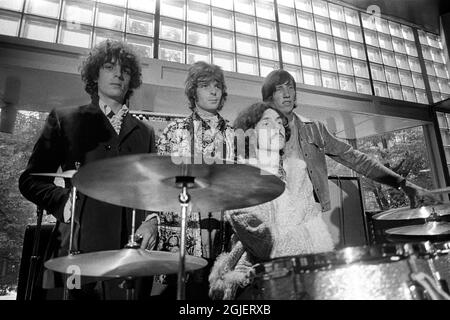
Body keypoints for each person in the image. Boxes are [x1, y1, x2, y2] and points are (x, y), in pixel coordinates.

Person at [208, 70, 440, 300]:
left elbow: (354, 157)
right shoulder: (255, 147)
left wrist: (402, 183)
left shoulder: (313, 130)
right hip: (261, 249)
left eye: (291, 87)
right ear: (267, 99)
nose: (288, 94)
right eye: (279, 89)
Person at [18, 40, 157, 300]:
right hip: (77, 247)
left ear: (132, 79)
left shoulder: (145, 132)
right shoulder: (66, 119)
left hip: (130, 257)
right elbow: (30, 180)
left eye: (125, 70)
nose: (118, 74)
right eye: (109, 67)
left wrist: (151, 221)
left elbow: (151, 188)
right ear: (95, 73)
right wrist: (63, 204)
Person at [155, 61, 234, 299]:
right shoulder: (174, 131)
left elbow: (243, 184)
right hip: (183, 235)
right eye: (205, 85)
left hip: (224, 235)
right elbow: (159, 183)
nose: (213, 91)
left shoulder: (234, 134)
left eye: (217, 86)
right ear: (193, 91)